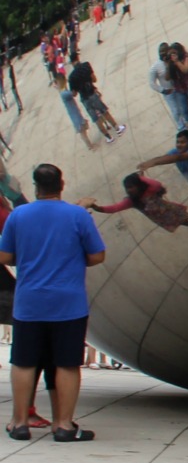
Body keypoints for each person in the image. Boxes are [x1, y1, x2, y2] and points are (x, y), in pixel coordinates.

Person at [3, 165, 107, 443]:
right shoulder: (77, 215)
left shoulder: (19, 215)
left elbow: (5, 255)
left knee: (23, 363)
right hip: (68, 303)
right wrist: (72, 260)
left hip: (30, 303)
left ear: (36, 187)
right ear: (62, 184)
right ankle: (63, 425)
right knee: (66, 364)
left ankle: (19, 422)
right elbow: (97, 256)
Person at [84, 173, 188, 238]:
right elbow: (113, 208)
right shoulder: (131, 201)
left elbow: (157, 184)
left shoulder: (150, 189)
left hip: (169, 208)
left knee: (187, 215)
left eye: (132, 187)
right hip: (162, 217)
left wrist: (140, 177)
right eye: (127, 188)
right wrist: (95, 207)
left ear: (139, 185)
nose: (129, 190)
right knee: (182, 222)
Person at [65, 61, 120, 140]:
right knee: (104, 112)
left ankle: (108, 137)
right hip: (92, 94)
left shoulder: (71, 77)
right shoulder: (86, 66)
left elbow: (74, 94)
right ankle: (117, 128)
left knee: (96, 119)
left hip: (85, 99)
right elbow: (94, 79)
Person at [150, 44, 188, 132]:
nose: (163, 53)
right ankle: (181, 127)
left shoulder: (173, 59)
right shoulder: (155, 67)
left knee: (183, 107)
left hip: (178, 88)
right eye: (161, 52)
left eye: (165, 51)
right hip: (168, 92)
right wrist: (163, 90)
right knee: (175, 110)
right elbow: (152, 83)